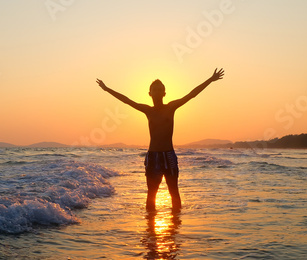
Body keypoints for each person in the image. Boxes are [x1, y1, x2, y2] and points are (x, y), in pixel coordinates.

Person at [96, 68, 225, 212]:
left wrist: (210, 79)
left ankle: (175, 227)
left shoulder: (171, 107)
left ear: (164, 93)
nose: (157, 92)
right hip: (153, 157)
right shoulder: (148, 110)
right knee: (152, 194)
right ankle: (150, 229)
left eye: (160, 90)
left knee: (174, 192)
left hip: (169, 155)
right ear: (150, 93)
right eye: (154, 90)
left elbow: (191, 95)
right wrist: (107, 89)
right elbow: (126, 101)